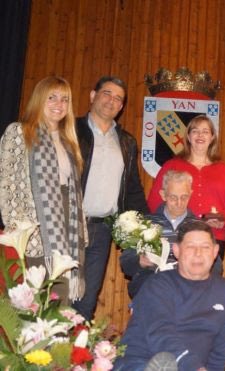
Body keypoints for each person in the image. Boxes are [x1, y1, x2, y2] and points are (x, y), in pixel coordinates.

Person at [0, 76, 86, 302]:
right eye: (52, 98)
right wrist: (19, 228)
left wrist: (81, 232)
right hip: (35, 229)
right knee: (35, 301)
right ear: (39, 99)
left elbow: (74, 195)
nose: (59, 104)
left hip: (65, 226)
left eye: (65, 99)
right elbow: (8, 183)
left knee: (61, 297)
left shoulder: (68, 142)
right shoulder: (20, 132)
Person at [116, 220, 225, 371]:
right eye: (190, 246)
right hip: (143, 361)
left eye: (205, 247)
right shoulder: (157, 285)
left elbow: (219, 348)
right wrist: (194, 367)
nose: (198, 253)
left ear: (215, 252)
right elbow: (161, 333)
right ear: (177, 251)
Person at [73, 76, 149, 320]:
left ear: (122, 106)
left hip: (101, 231)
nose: (112, 101)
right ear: (93, 96)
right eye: (107, 93)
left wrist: (146, 229)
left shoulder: (127, 142)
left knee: (86, 300)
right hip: (67, 225)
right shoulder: (69, 130)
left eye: (119, 98)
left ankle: (76, 355)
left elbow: (133, 189)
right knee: (58, 294)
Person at [147, 114, 225, 262]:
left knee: (207, 283)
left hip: (213, 236)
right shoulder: (172, 166)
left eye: (205, 131)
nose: (200, 135)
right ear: (188, 137)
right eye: (195, 131)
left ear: (212, 137)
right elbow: (154, 202)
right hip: (177, 236)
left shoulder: (224, 170)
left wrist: (223, 220)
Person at [120, 170, 198, 298]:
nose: (179, 203)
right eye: (173, 197)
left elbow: (216, 266)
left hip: (188, 290)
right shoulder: (145, 224)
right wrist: (140, 260)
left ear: (191, 194)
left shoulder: (200, 227)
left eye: (184, 197)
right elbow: (126, 261)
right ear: (163, 195)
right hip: (152, 287)